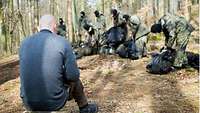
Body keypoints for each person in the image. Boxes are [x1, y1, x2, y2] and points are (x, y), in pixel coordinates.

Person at [19, 14, 98, 113]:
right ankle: (85, 108)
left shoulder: (24, 43)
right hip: (54, 101)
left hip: (28, 102)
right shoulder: (62, 42)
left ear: (39, 27)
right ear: (55, 26)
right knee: (75, 79)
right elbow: (73, 76)